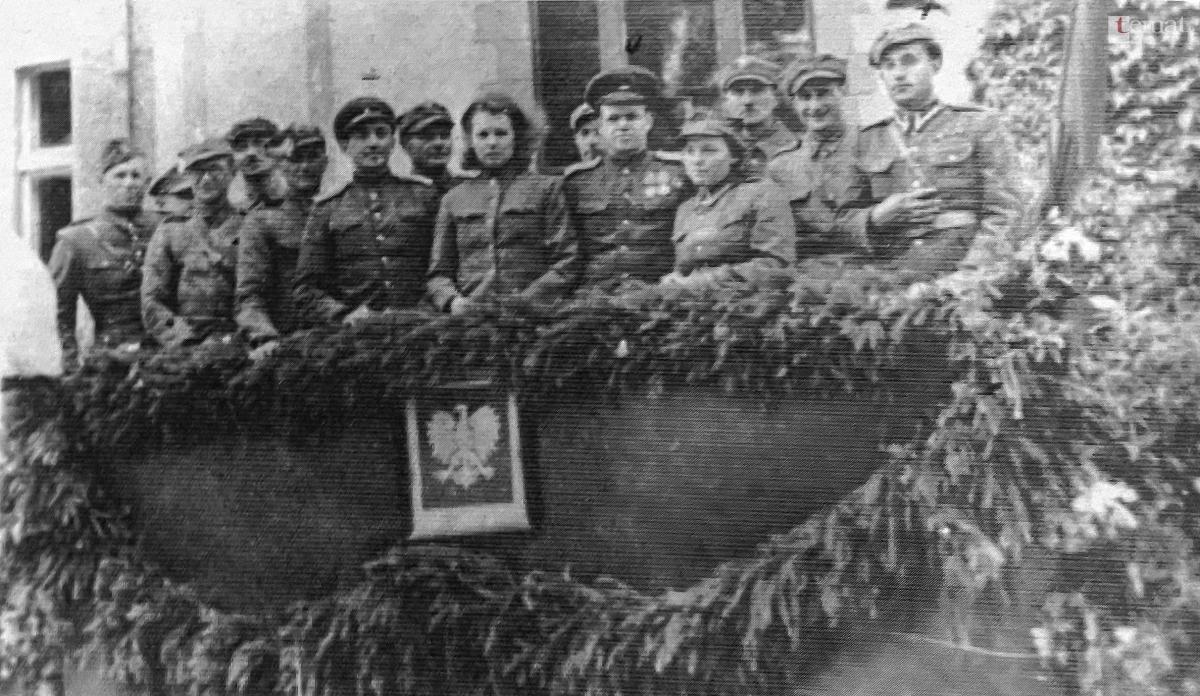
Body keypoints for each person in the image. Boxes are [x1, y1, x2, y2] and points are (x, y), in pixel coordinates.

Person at [841, 23, 1015, 275]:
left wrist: (971, 273)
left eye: (909, 61)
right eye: (888, 66)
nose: (898, 74)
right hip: (890, 274)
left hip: (960, 269)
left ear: (935, 63)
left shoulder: (978, 124)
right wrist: (878, 215)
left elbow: (1006, 210)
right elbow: (844, 223)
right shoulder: (866, 139)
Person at [294, 97, 440, 325]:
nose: (373, 143)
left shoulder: (424, 195)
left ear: (393, 141)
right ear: (344, 145)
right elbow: (307, 289)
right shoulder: (327, 208)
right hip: (358, 333)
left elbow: (444, 268)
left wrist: (429, 310)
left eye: (381, 134)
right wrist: (343, 315)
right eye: (361, 136)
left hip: (423, 326)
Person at [427, 92, 570, 314]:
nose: (492, 143)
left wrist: (523, 303)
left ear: (518, 137)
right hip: (471, 318)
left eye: (501, 133)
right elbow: (439, 273)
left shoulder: (547, 189)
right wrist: (453, 302)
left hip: (534, 316)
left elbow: (567, 260)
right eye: (482, 135)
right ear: (470, 141)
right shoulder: (453, 199)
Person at [560, 66, 689, 290]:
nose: (623, 125)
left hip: (659, 293)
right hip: (596, 296)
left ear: (648, 121)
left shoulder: (679, 171)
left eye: (632, 117)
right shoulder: (577, 181)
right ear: (600, 126)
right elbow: (568, 250)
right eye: (613, 119)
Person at [48, 139, 155, 367]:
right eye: (120, 175)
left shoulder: (163, 229)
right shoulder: (76, 240)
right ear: (101, 180)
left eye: (136, 176)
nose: (129, 183)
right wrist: (70, 368)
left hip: (163, 358)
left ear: (146, 183)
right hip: (112, 362)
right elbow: (59, 316)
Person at [663, 113, 795, 289]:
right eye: (689, 151)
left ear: (734, 156)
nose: (697, 160)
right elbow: (683, 270)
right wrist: (674, 279)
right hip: (689, 300)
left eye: (709, 150)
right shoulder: (685, 210)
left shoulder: (762, 194)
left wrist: (704, 282)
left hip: (745, 300)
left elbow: (777, 266)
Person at [141, 138, 245, 347]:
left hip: (240, 343)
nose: (206, 179)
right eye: (197, 171)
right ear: (188, 175)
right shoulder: (170, 230)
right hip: (187, 345)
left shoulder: (249, 225)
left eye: (215, 169)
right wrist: (185, 341)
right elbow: (152, 301)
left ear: (233, 172)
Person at [768, 54, 871, 259]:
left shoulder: (872, 143)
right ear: (793, 104)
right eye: (805, 97)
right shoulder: (781, 166)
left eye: (823, 93)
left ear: (843, 93)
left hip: (876, 265)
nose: (814, 106)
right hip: (811, 271)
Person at [236, 126, 329, 352]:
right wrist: (265, 338)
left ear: (325, 162)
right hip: (286, 345)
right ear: (280, 165)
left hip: (337, 338)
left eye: (313, 157)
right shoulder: (262, 221)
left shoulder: (336, 213)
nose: (305, 166)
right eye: (295, 158)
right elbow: (249, 296)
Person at [714, 55, 797, 179]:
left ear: (776, 97)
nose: (748, 101)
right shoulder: (716, 144)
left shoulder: (794, 148)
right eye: (738, 91)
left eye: (757, 90)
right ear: (726, 101)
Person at [396, 101, 457, 199]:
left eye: (445, 135)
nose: (439, 143)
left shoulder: (468, 189)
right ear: (405, 144)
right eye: (427, 136)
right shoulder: (397, 195)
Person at [226, 117, 282, 211]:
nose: (251, 152)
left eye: (259, 143)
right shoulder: (231, 201)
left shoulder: (288, 191)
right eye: (242, 146)